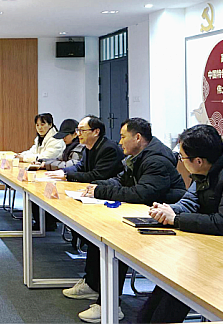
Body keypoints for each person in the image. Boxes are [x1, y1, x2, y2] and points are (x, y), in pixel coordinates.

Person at [67, 118, 187, 323]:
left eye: (123, 137)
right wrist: (97, 186)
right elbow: (120, 180)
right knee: (99, 231)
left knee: (116, 240)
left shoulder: (156, 160)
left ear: (137, 138)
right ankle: (93, 285)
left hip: (166, 222)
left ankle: (109, 305)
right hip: (149, 214)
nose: (120, 142)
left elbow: (141, 194)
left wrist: (101, 191)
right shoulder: (137, 157)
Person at [138, 124, 223, 324]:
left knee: (176, 290)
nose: (180, 160)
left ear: (198, 161)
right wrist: (168, 211)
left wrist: (176, 219)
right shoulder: (206, 166)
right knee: (168, 286)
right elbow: (190, 201)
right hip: (209, 245)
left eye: (182, 157)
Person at [46, 115, 124, 182]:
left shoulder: (109, 149)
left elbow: (97, 175)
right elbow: (80, 166)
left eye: (82, 130)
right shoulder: (87, 147)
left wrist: (67, 176)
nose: (78, 134)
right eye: (78, 130)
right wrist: (63, 171)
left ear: (96, 132)